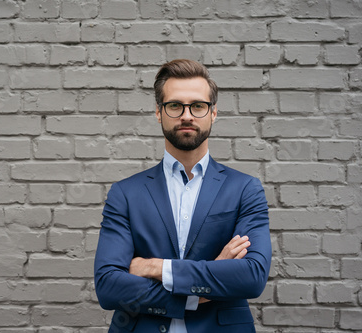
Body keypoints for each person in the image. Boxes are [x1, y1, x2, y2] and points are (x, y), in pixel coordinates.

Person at [94, 59, 271, 333]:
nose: (186, 115)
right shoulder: (125, 193)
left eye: (198, 106)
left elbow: (251, 277)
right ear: (158, 112)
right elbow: (108, 286)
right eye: (175, 105)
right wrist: (198, 293)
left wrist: (156, 267)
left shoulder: (245, 189)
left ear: (213, 113)